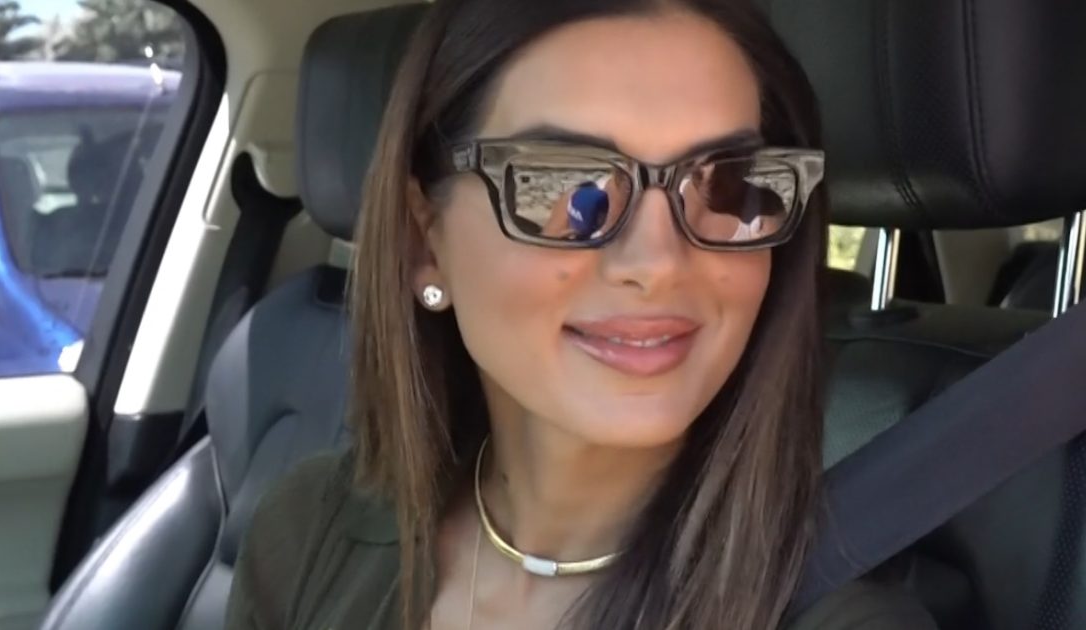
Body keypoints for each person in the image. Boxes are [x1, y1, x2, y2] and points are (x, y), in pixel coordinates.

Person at [226, 0, 939, 628]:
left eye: (726, 186)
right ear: (424, 244)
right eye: (566, 187)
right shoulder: (307, 533)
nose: (658, 263)